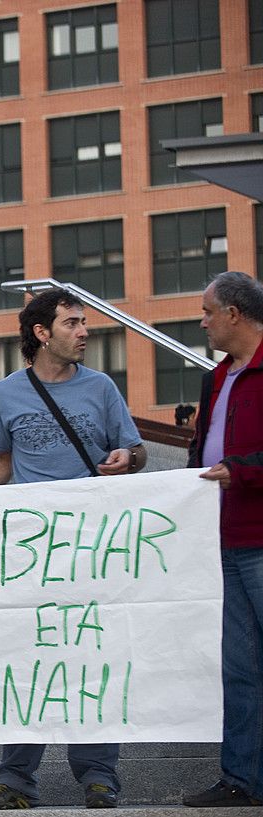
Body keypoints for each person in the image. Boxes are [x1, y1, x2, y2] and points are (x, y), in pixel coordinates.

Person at [0, 289, 146, 810]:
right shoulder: (5, 394)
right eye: (73, 323)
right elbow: (1, 465)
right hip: (31, 554)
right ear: (42, 332)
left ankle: (99, 775)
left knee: (92, 658)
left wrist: (125, 457)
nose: (84, 331)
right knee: (28, 662)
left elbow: (137, 450)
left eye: (84, 322)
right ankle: (15, 780)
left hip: (91, 548)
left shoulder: (102, 387)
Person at [182, 271, 263, 808]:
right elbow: (201, 449)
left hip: (259, 538)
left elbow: (240, 460)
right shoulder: (218, 375)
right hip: (223, 543)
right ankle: (241, 779)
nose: (204, 321)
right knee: (239, 670)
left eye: (209, 311)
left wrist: (245, 472)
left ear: (234, 313)